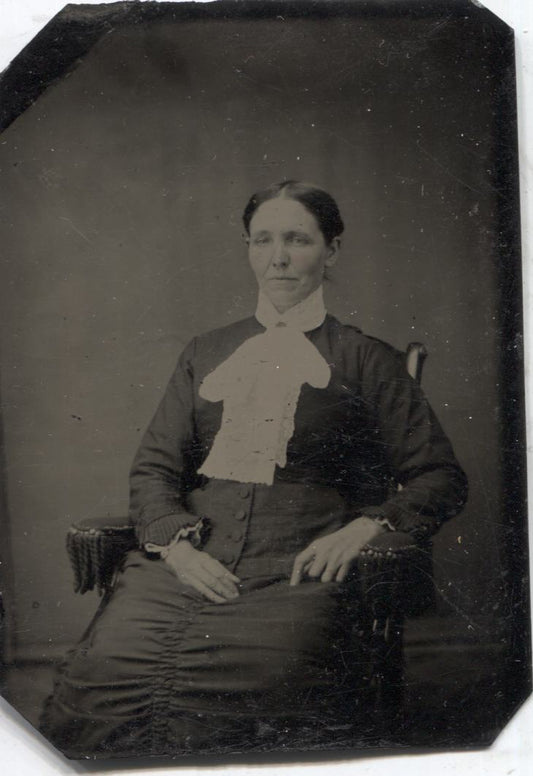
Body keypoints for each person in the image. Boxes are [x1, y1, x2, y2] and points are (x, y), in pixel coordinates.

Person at [40, 180, 467, 758]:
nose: (279, 257)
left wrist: (367, 527)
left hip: (300, 568)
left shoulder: (364, 358)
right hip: (187, 565)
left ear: (331, 251)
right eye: (263, 240)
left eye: (298, 239)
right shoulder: (205, 352)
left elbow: (438, 476)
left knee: (269, 681)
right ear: (247, 248)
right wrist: (179, 550)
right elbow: (155, 468)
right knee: (106, 673)